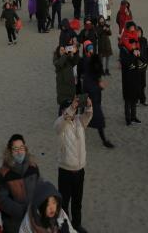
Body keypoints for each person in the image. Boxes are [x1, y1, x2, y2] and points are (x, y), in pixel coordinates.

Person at [55, 96, 92, 233]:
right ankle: (65, 227)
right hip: (65, 171)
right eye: (69, 108)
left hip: (80, 170)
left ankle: (77, 225)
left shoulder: (79, 121)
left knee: (77, 201)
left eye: (74, 108)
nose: (73, 111)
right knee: (64, 203)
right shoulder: (59, 124)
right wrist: (71, 109)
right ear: (63, 110)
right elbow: (61, 123)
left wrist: (88, 105)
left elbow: (88, 116)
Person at [0, 134, 41, 233]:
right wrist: (22, 211)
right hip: (13, 223)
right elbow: (2, 200)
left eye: (21, 148)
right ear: (10, 152)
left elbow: (40, 187)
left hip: (33, 218)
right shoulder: (3, 173)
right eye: (15, 149)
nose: (19, 152)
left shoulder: (33, 167)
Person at [54, 44, 80, 112]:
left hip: (71, 87)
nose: (63, 51)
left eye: (64, 50)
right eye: (61, 50)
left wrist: (76, 52)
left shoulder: (68, 59)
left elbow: (76, 61)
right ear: (58, 52)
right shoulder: (57, 60)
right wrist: (65, 54)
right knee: (63, 109)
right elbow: (59, 64)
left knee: (72, 109)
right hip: (63, 89)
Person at [136, 26, 148, 106]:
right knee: (137, 83)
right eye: (137, 32)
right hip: (136, 66)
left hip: (144, 65)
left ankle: (143, 99)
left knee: (143, 83)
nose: (138, 33)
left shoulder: (144, 40)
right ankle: (137, 99)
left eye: (140, 32)